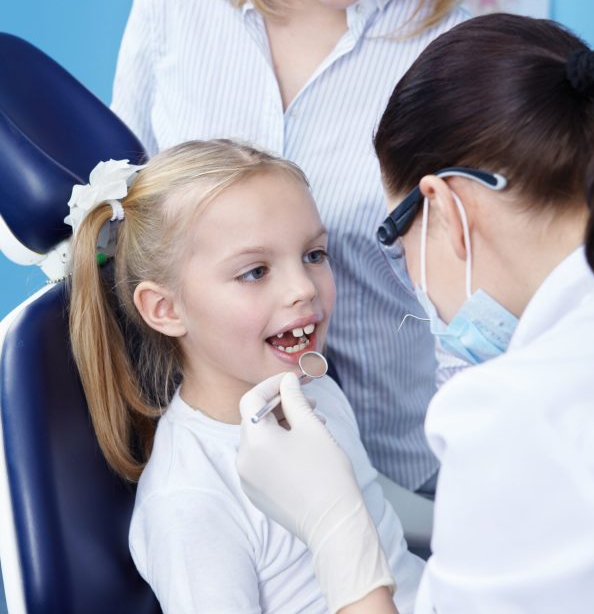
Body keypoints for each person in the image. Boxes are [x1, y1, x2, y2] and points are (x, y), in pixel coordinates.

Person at [110, 0, 509, 493]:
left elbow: (485, 291)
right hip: (207, 461)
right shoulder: (169, 0)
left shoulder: (449, 53)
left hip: (399, 466)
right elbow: (125, 234)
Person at [236, 14, 594, 612]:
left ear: (443, 206)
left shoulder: (515, 413)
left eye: (393, 236)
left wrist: (337, 531)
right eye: (254, 271)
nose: (303, 292)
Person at [67, 139, 425, 613]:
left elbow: (385, 534)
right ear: (166, 309)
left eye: (314, 255)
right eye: (255, 272)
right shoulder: (190, 504)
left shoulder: (313, 388)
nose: (303, 289)